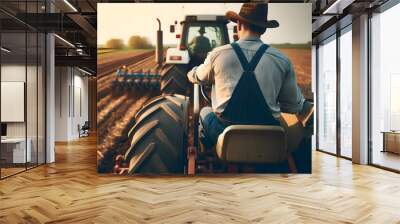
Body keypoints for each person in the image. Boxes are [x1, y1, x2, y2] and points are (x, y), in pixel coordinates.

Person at [187, 3, 311, 149]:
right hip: (269, 138)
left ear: (239, 24)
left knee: (204, 111)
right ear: (263, 29)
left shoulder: (218, 55)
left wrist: (192, 72)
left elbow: (198, 77)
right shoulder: (282, 60)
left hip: (225, 134)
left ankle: (211, 150)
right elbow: (292, 106)